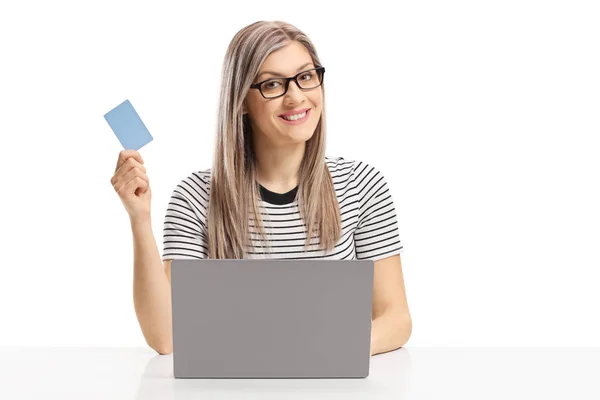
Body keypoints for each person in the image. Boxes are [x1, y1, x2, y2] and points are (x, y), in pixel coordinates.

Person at [111, 21, 411, 356]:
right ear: (241, 102)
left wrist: (322, 350)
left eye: (306, 77)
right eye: (272, 84)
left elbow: (396, 318)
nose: (296, 96)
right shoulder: (195, 197)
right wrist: (139, 219)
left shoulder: (362, 185)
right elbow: (166, 337)